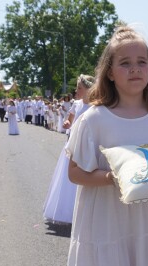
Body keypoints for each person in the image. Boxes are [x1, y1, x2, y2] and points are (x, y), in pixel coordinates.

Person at [64, 26, 148, 266]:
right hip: (105, 220)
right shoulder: (94, 119)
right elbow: (74, 172)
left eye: (142, 62)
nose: (135, 69)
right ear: (110, 73)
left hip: (145, 220)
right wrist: (112, 176)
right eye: (125, 63)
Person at [43, 74, 95, 225]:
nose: (76, 90)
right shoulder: (76, 104)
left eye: (79, 88)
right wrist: (66, 123)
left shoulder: (95, 106)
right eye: (77, 87)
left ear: (88, 90)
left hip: (86, 147)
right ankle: (67, 212)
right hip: (72, 146)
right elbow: (69, 119)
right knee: (68, 180)